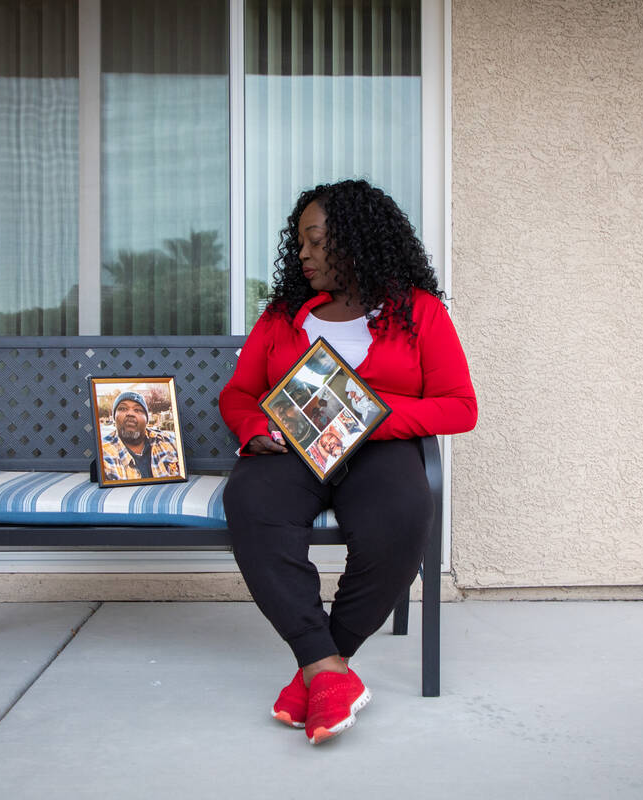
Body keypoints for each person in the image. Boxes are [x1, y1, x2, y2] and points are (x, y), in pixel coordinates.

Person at [219, 179, 477, 745]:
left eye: (315, 241)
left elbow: (460, 408)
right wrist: (256, 428)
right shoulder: (285, 315)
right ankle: (325, 668)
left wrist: (371, 415)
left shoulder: (421, 313)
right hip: (292, 450)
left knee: (401, 517)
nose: (303, 254)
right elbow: (239, 394)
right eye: (300, 243)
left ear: (356, 241)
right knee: (249, 500)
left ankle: (319, 664)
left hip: (379, 451)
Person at [100, 391, 181, 481]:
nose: (130, 413)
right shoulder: (103, 453)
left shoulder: (170, 442)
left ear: (147, 420)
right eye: (123, 409)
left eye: (137, 410)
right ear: (114, 417)